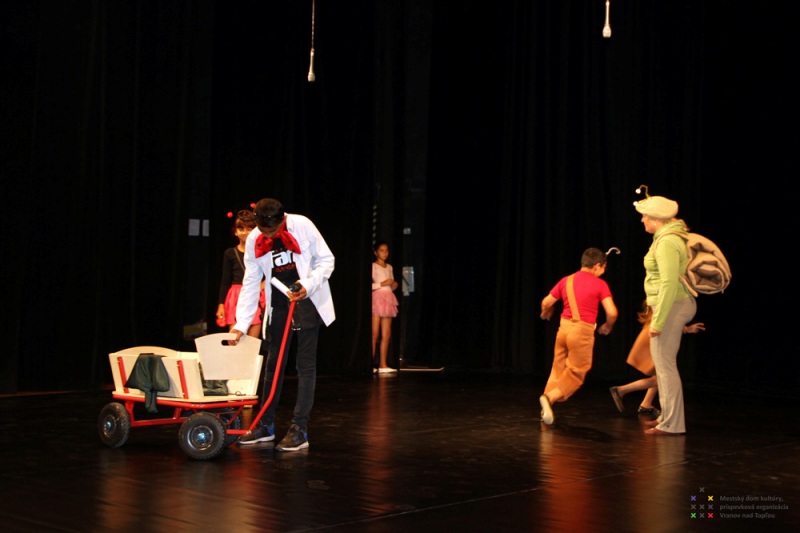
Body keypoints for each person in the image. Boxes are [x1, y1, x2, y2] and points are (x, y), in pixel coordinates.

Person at [231, 198, 335, 452]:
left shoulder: (302, 225)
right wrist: (241, 323)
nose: (268, 235)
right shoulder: (255, 238)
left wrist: (307, 284)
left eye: (273, 231)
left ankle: (300, 429)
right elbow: (251, 281)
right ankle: (265, 425)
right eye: (263, 231)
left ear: (283, 220)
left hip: (306, 299)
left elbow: (326, 260)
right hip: (278, 302)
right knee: (273, 365)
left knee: (305, 366)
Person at [633, 189, 696, 436]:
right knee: (664, 366)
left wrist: (658, 322)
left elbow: (669, 283)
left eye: (645, 216)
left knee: (665, 366)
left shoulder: (667, 241)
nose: (642, 220)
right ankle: (667, 419)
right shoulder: (666, 238)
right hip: (672, 305)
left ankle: (672, 424)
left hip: (671, 306)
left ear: (656, 219)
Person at [539, 248, 618, 426]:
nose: (603, 271)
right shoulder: (600, 284)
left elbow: (546, 302)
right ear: (597, 266)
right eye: (603, 268)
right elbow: (612, 312)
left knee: (557, 369)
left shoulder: (566, 280)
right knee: (577, 372)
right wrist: (608, 326)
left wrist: (545, 313)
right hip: (581, 332)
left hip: (563, 330)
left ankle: (546, 409)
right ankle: (549, 397)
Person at [609, 302, 705, 416]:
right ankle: (621, 390)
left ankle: (646, 403)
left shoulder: (661, 301)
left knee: (659, 374)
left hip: (655, 335)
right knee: (663, 377)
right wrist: (686, 329)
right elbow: (667, 320)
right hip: (654, 337)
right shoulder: (664, 301)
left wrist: (686, 328)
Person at [215, 209, 263, 339]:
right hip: (236, 295)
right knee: (235, 338)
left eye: (249, 229)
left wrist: (261, 286)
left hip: (255, 293)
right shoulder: (230, 253)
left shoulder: (261, 251)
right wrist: (221, 305)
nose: (245, 232)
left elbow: (269, 274)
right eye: (241, 228)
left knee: (253, 340)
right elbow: (225, 280)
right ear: (235, 231)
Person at [371, 241, 399, 373]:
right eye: (381, 250)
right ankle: (370, 364)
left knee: (386, 334)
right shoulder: (373, 266)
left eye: (386, 250)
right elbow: (370, 285)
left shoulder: (389, 267)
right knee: (374, 333)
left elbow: (390, 285)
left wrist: (393, 286)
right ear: (376, 252)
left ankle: (383, 364)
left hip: (388, 299)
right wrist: (382, 284)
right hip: (377, 298)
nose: (385, 253)